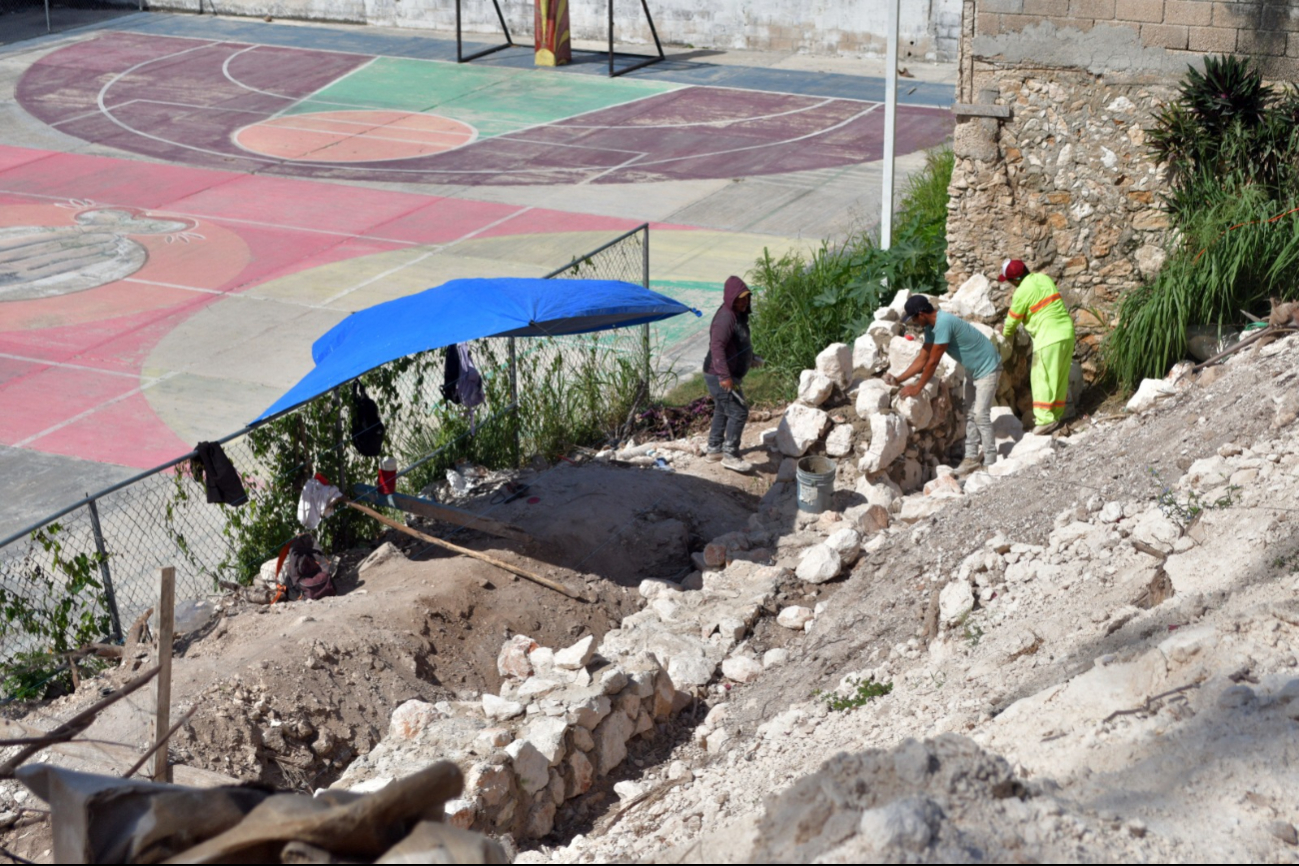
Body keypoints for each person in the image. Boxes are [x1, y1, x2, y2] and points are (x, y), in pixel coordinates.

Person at [885, 295, 1003, 476]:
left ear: (921, 314)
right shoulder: (931, 328)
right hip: (973, 370)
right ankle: (971, 458)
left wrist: (917, 388)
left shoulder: (943, 323)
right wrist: (899, 379)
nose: (914, 324)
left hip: (988, 367)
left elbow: (933, 362)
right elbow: (923, 357)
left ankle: (991, 461)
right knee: (970, 414)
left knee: (980, 414)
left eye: (914, 319)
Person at [998, 259, 1076, 435]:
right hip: (1066, 332)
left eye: (1009, 281)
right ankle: (1056, 416)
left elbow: (1010, 324)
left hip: (1047, 336)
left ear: (1015, 280)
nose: (1010, 285)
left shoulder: (1021, 292)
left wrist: (1004, 330)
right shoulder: (1044, 279)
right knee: (1059, 377)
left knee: (1041, 378)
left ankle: (1044, 420)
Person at [704, 276, 763, 473]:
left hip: (725, 372)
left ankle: (714, 449)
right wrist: (724, 376)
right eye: (739, 299)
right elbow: (717, 347)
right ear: (730, 298)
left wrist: (750, 357)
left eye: (746, 298)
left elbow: (736, 345)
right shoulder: (725, 318)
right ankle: (731, 455)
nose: (743, 302)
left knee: (723, 408)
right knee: (739, 411)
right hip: (718, 374)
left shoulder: (738, 316)